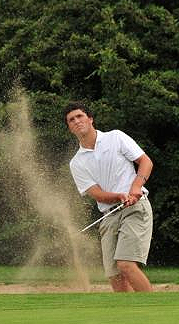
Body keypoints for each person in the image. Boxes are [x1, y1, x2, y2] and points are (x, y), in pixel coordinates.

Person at [64, 102, 154, 292]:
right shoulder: (76, 163)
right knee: (115, 276)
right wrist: (118, 196)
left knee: (125, 264)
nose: (76, 121)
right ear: (70, 128)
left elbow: (145, 161)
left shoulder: (116, 137)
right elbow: (96, 193)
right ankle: (127, 318)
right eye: (71, 120)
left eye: (80, 116)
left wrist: (136, 186)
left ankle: (154, 310)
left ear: (90, 119)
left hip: (134, 208)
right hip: (109, 215)